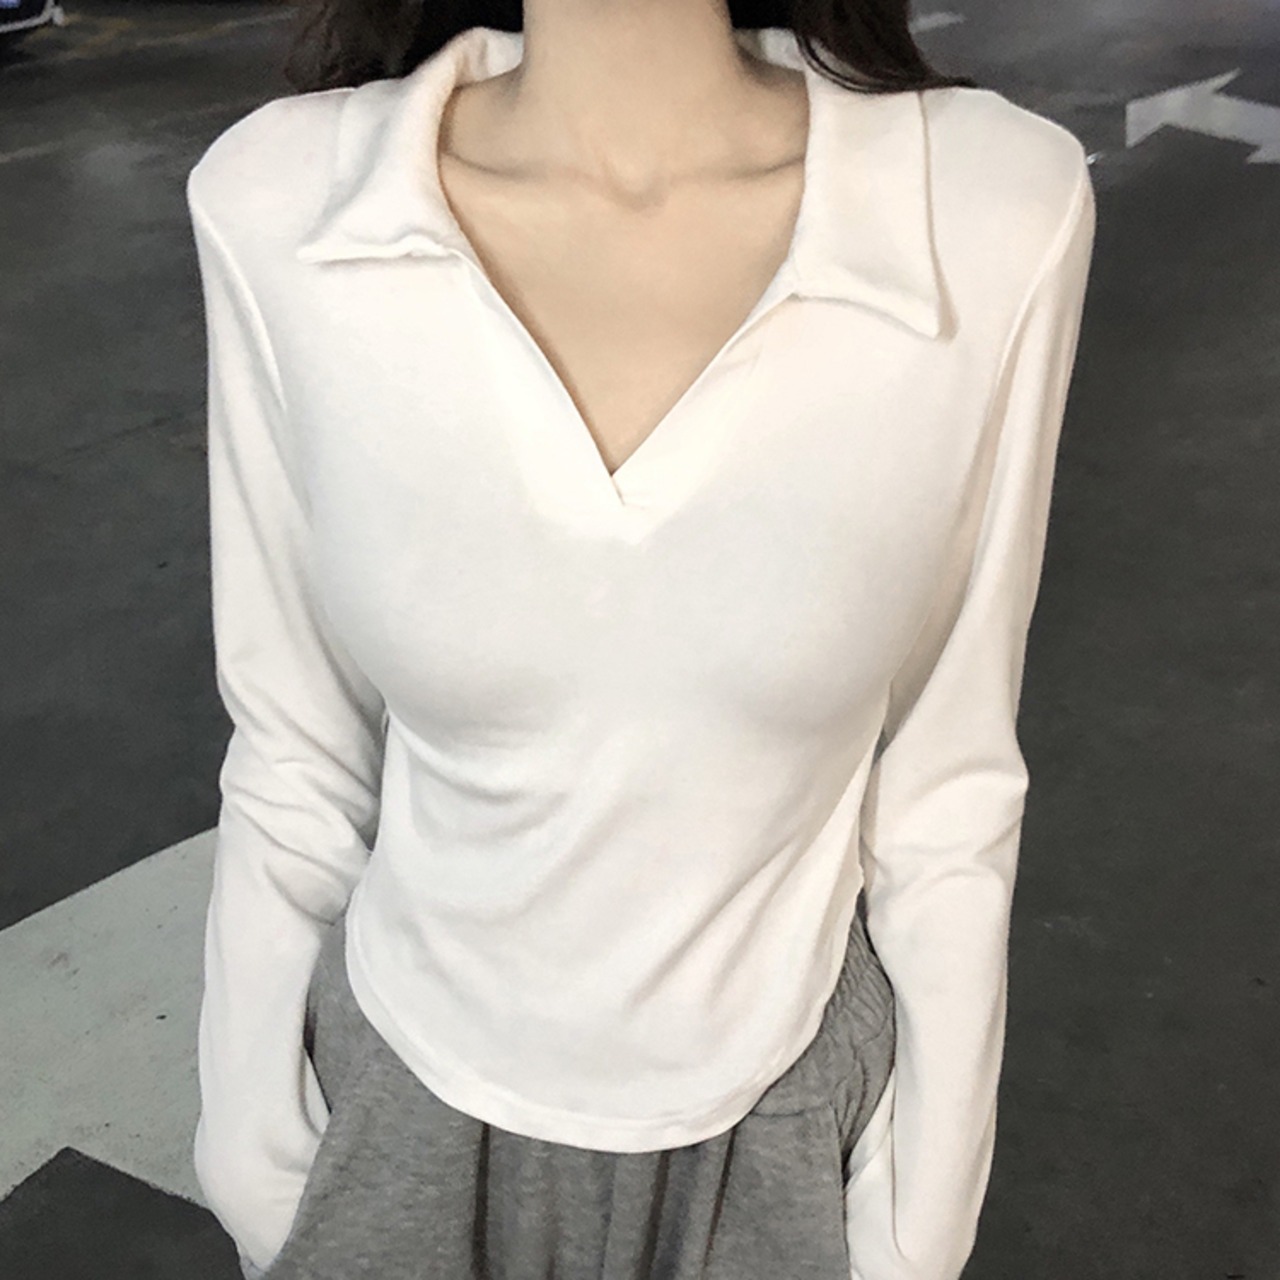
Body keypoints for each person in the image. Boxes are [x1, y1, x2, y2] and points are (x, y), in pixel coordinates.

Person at [184, 2, 1096, 1277]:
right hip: (396, 1104)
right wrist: (255, 1158)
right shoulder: (285, 206)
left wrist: (917, 1221)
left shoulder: (986, 210)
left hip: (778, 1118)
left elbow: (949, 769)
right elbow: (294, 739)